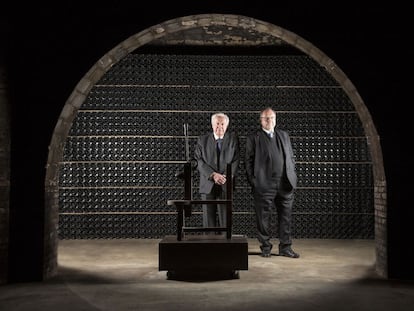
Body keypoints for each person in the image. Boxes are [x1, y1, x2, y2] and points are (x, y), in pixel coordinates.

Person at [245, 107, 299, 258]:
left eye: (272, 118)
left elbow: (291, 157)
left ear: (276, 119)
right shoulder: (254, 137)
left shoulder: (284, 135)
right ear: (261, 120)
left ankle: (285, 248)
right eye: (266, 118)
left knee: (286, 217)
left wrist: (292, 173)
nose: (270, 121)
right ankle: (266, 247)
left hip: (285, 183)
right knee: (263, 218)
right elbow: (248, 162)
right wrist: (254, 181)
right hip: (263, 185)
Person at [194, 112, 240, 230]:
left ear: (227, 125)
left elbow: (236, 160)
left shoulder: (233, 140)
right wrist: (213, 175)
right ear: (212, 124)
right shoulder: (202, 140)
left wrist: (226, 176)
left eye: (222, 124)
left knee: (226, 221)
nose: (220, 127)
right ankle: (209, 246)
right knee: (208, 222)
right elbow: (199, 161)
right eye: (217, 124)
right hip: (208, 184)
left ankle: (226, 246)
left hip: (225, 183)